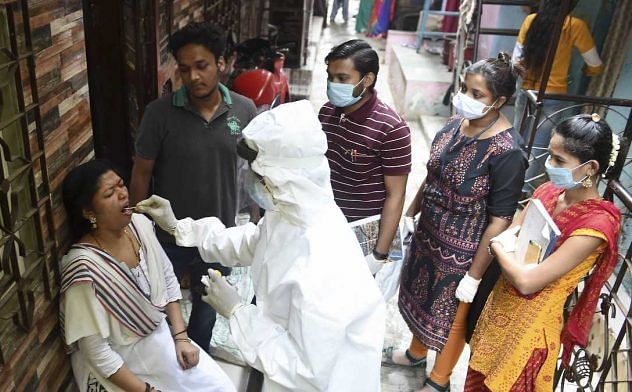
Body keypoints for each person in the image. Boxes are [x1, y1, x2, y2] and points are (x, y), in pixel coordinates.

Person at [136, 100, 386, 392]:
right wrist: (180, 227)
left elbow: (305, 371)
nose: (251, 182)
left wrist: (238, 312)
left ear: (279, 178)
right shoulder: (293, 213)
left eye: (256, 174)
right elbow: (254, 241)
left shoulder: (321, 261)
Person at [390, 54, 527, 392]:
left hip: (465, 252)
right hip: (428, 234)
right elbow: (432, 174)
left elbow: (501, 219)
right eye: (465, 88)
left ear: (500, 101)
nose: (466, 96)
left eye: (477, 94)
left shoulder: (507, 151)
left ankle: (439, 381)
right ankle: (415, 352)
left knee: (452, 317)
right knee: (420, 298)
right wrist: (410, 214)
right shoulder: (454, 125)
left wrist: (474, 275)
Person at [466, 114, 622, 391]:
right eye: (550, 156)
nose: (550, 166)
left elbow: (527, 281)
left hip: (529, 333)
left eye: (560, 161)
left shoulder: (596, 224)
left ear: (591, 168)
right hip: (497, 314)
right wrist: (504, 246)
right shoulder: (549, 192)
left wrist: (497, 247)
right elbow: (510, 233)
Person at [129, 22, 257, 352]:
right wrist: (136, 230)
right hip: (167, 238)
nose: (194, 77)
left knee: (206, 308)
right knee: (159, 305)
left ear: (222, 63)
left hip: (218, 236)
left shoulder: (243, 110)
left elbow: (258, 172)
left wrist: (258, 224)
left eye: (202, 66)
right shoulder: (159, 114)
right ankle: (165, 361)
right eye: (185, 69)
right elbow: (141, 173)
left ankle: (199, 360)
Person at [59, 160, 235, 392]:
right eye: (110, 192)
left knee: (221, 387)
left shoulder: (139, 225)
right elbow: (96, 351)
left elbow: (168, 278)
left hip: (157, 335)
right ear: (89, 212)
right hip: (119, 359)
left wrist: (181, 338)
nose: (122, 194)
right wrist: (146, 390)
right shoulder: (82, 268)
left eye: (121, 185)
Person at [319, 39, 411, 274]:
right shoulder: (327, 112)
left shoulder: (391, 129)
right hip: (326, 224)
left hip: (365, 234)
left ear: (367, 80)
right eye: (330, 77)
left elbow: (396, 195)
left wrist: (379, 254)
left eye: (342, 78)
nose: (332, 84)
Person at [512, 0, 603, 192]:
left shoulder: (531, 20)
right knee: (538, 144)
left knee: (518, 135)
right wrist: (589, 71)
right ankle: (523, 190)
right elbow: (595, 64)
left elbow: (516, 60)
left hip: (527, 90)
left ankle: (507, 178)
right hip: (554, 93)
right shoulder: (574, 25)